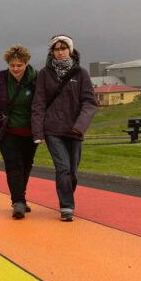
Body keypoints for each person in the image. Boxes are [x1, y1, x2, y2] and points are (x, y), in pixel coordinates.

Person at [31, 34, 98, 222]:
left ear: (70, 50)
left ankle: (67, 195)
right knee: (63, 169)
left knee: (73, 172)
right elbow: (38, 104)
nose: (60, 52)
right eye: (56, 49)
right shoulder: (44, 74)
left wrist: (80, 126)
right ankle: (66, 206)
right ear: (51, 52)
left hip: (75, 131)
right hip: (53, 130)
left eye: (63, 48)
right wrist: (38, 132)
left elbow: (90, 103)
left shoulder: (81, 73)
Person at [0, 45, 37, 219]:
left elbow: (41, 104)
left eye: (19, 65)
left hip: (30, 130)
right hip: (7, 130)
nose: (15, 69)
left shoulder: (36, 79)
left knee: (26, 165)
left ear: (26, 63)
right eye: (12, 65)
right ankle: (18, 202)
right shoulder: (1, 79)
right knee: (13, 165)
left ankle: (21, 198)